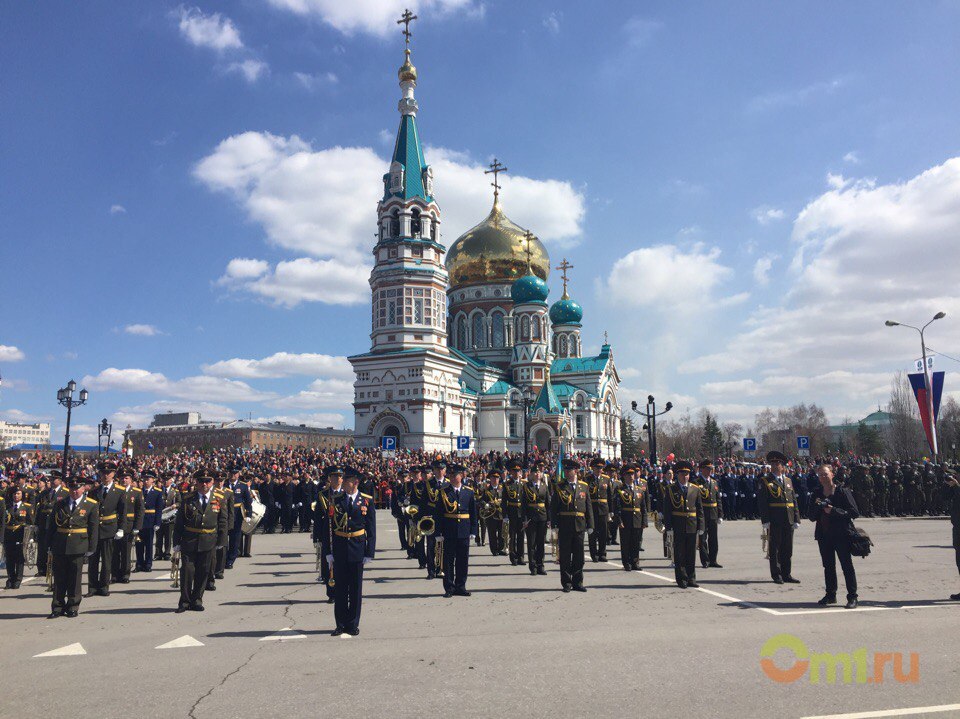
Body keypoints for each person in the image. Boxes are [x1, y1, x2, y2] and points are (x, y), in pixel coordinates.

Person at [326, 467, 375, 636]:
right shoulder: (336, 499)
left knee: (355, 589)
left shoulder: (366, 500)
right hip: (340, 547)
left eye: (346, 480)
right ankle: (340, 624)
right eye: (344, 480)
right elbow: (330, 527)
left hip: (357, 547)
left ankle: (353, 624)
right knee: (340, 589)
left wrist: (369, 552)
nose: (343, 483)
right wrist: (328, 551)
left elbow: (371, 528)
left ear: (355, 482)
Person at [173, 469, 228, 613]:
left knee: (203, 572)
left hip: (209, 540)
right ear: (196, 482)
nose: (205, 484)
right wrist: (176, 542)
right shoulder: (187, 498)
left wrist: (221, 540)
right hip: (189, 540)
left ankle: (197, 600)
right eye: (201, 481)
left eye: (208, 481)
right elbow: (179, 522)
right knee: (187, 572)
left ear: (212, 482)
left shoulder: (219, 498)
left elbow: (222, 521)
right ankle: (184, 602)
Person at [809, 464, 859, 608]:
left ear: (832, 474)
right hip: (824, 535)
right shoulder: (816, 493)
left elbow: (854, 512)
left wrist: (834, 511)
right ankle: (831, 595)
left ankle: (852, 597)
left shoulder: (841, 491)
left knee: (846, 566)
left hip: (841, 535)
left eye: (825, 474)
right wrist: (819, 508)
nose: (823, 477)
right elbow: (811, 516)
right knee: (828, 566)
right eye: (820, 475)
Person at [48, 477, 99, 618]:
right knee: (59, 578)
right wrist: (48, 544)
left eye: (77, 488)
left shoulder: (91, 505)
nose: (74, 491)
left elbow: (94, 528)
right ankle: (57, 607)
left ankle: (73, 605)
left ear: (83, 488)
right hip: (60, 544)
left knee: (75, 577)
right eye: (72, 488)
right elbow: (51, 526)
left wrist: (91, 547)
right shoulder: (60, 503)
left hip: (78, 545)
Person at [758, 451, 801, 584]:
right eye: (773, 464)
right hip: (775, 519)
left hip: (788, 519)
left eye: (778, 464)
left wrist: (796, 518)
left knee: (787, 548)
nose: (776, 466)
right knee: (775, 548)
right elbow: (762, 502)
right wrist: (765, 520)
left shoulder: (788, 480)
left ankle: (786, 573)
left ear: (783, 466)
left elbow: (793, 501)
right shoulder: (765, 481)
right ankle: (776, 574)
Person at [550, 458, 593, 592]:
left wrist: (590, 523)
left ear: (576, 471)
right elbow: (553, 508)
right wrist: (554, 524)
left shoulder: (584, 486)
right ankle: (567, 583)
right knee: (565, 556)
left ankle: (578, 582)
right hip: (565, 525)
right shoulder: (560, 487)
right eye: (566, 470)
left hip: (579, 525)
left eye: (570, 470)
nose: (568, 472)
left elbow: (588, 507)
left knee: (579, 556)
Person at [437, 463, 478, 597]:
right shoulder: (443, 492)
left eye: (456, 475)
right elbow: (438, 514)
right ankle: (449, 588)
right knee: (448, 561)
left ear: (462, 476)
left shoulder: (468, 491)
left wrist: (473, 531)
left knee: (462, 560)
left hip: (464, 530)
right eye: (451, 475)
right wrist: (438, 532)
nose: (453, 478)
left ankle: (461, 586)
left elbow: (473, 512)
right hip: (449, 530)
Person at [661, 461, 704, 588]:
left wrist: (701, 526)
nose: (685, 476)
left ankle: (691, 578)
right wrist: (668, 527)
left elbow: (699, 509)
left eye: (687, 474)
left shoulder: (695, 489)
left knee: (691, 553)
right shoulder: (671, 489)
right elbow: (667, 510)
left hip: (692, 524)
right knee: (679, 554)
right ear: (677, 475)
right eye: (682, 474)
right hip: (678, 525)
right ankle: (682, 579)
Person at [313, 466, 344, 602]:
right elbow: (318, 517)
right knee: (328, 564)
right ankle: (331, 592)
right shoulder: (323, 495)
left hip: (342, 532)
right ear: (329, 479)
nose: (337, 479)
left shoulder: (346, 493)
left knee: (342, 564)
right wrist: (317, 537)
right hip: (327, 532)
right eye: (334, 476)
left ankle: (341, 592)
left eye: (339, 476)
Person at [614, 464, 647, 571]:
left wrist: (644, 521)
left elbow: (643, 507)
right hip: (625, 519)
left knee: (636, 542)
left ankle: (635, 562)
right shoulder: (619, 489)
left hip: (637, 519)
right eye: (628, 474)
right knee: (626, 542)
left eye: (632, 474)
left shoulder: (639, 490)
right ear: (624, 476)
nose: (631, 476)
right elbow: (617, 506)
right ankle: (627, 562)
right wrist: (619, 520)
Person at [522, 460, 550, 576]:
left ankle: (540, 565)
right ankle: (532, 566)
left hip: (542, 517)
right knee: (531, 544)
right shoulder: (526, 486)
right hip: (531, 518)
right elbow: (523, 505)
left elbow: (548, 503)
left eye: (539, 472)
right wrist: (524, 519)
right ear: (531, 474)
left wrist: (549, 519)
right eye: (535, 472)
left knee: (541, 543)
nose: (537, 474)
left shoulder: (544, 486)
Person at [694, 459, 723, 568]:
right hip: (702, 513)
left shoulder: (714, 482)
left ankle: (713, 560)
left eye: (711, 469)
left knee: (713, 538)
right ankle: (705, 561)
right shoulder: (697, 483)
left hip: (713, 513)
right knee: (702, 538)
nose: (710, 471)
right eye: (708, 469)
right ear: (702, 469)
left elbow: (718, 499)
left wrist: (720, 514)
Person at [3, 487, 33, 589]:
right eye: (14, 494)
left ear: (22, 495)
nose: (16, 496)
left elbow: (31, 523)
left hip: (21, 535)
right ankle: (10, 578)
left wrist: (31, 537)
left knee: (19, 558)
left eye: (18, 494)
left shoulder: (27, 507)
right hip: (8, 534)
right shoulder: (7, 506)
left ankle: (18, 579)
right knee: (9, 558)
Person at [135, 470, 163, 572]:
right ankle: (139, 563)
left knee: (149, 544)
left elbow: (159, 509)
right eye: (144, 479)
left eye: (148, 479)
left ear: (153, 480)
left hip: (150, 521)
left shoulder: (157, 492)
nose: (146, 481)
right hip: (139, 522)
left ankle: (148, 564)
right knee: (138, 543)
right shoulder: (138, 491)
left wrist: (157, 523)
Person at [226, 464, 252, 569]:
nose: (233, 475)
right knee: (223, 538)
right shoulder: (224, 485)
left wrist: (248, 514)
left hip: (237, 514)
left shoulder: (243, 486)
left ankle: (230, 560)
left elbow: (248, 501)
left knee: (235, 538)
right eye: (231, 473)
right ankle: (223, 558)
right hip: (225, 513)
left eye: (235, 473)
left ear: (238, 474)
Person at [587, 458, 613, 562]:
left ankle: (602, 554)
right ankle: (594, 554)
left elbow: (609, 496)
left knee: (603, 533)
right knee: (592, 533)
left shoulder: (606, 479)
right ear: (593, 468)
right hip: (592, 509)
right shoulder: (587, 479)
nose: (599, 469)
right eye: (597, 468)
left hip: (603, 509)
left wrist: (611, 511)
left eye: (601, 468)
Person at [503, 459, 526, 566]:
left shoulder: (524, 484)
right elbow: (504, 501)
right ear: (511, 473)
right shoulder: (507, 484)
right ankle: (513, 557)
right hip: (512, 513)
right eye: (514, 471)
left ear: (520, 472)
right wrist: (505, 515)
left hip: (522, 513)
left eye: (518, 471)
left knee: (521, 536)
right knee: (512, 536)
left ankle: (521, 556)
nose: (516, 473)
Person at [944, 471, 960, 601]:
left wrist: (956, 486)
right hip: (957, 528)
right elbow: (944, 497)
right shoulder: (955, 487)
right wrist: (948, 486)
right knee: (959, 562)